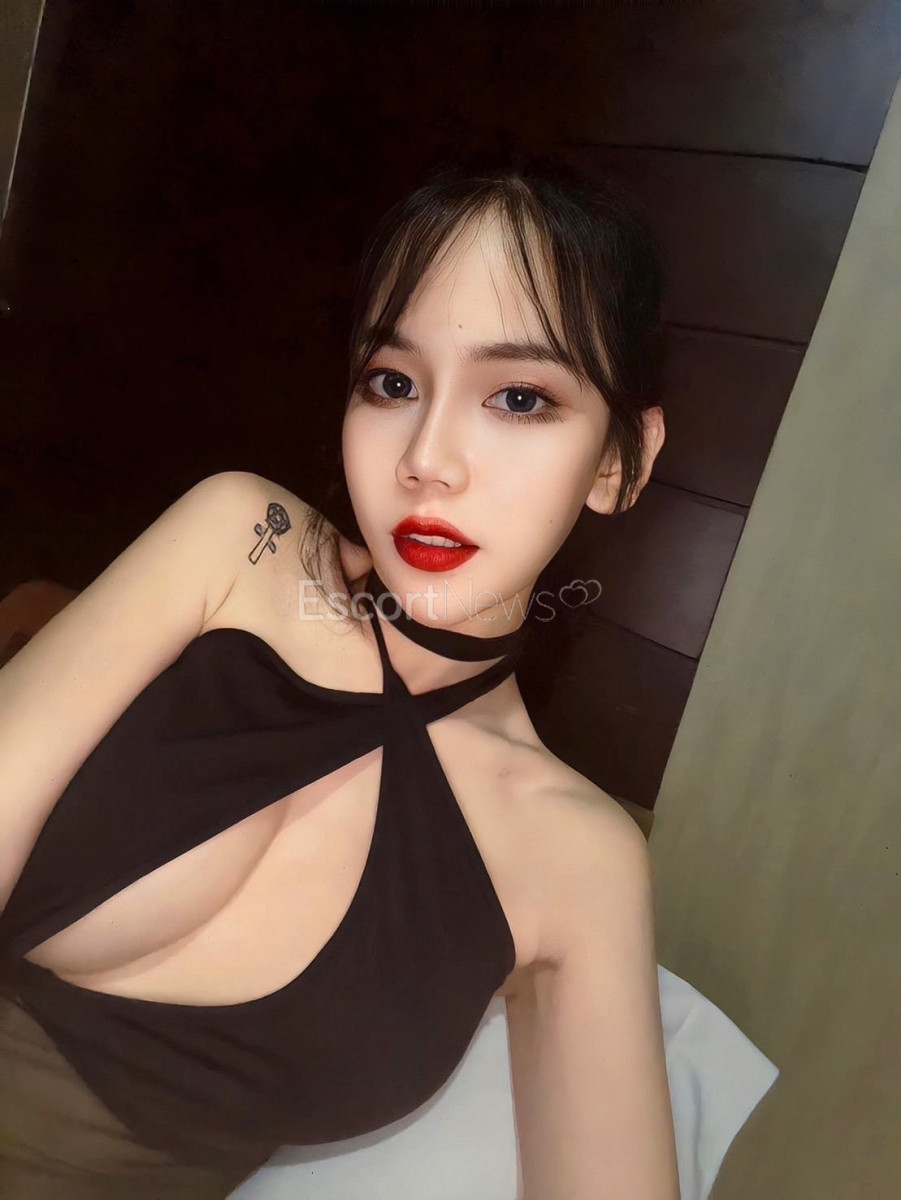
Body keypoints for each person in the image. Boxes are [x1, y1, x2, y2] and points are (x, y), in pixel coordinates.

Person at [0, 153, 680, 1199]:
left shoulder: (580, 859)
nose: (427, 458)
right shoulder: (243, 544)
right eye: (393, 384)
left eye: (518, 397)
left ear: (617, 462)